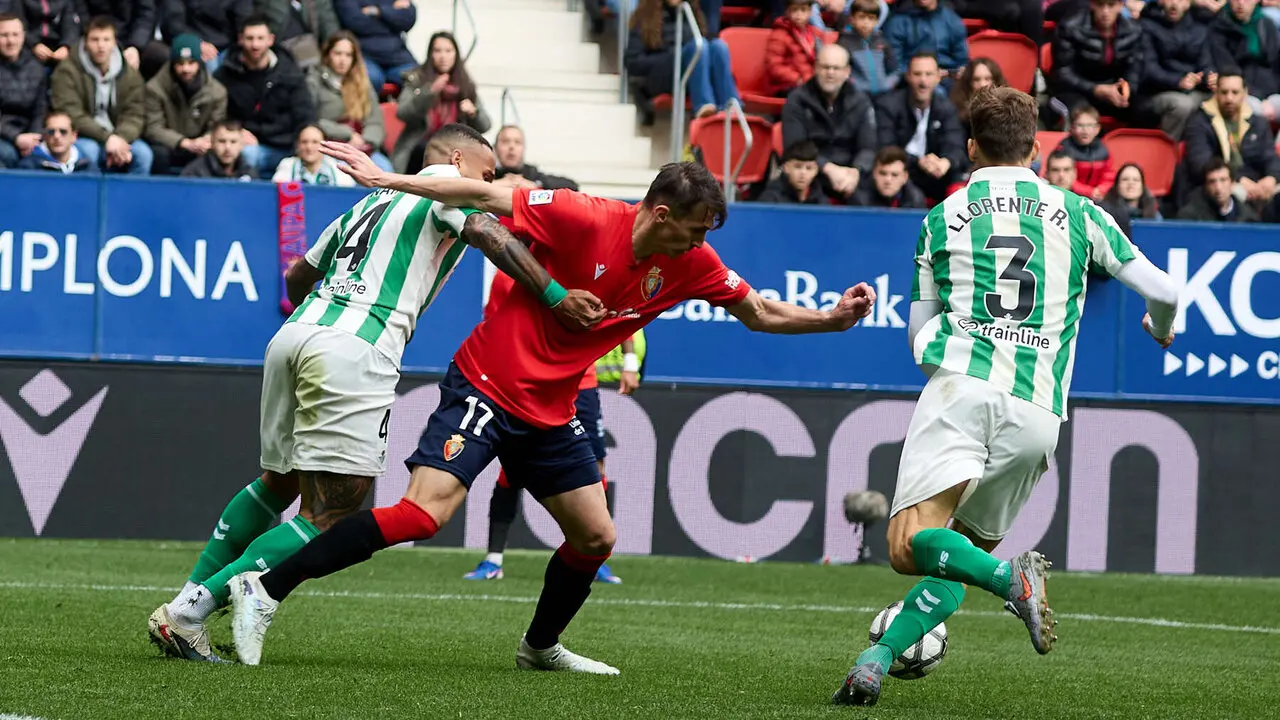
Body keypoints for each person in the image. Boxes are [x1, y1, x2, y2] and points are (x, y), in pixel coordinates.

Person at [226, 148, 878, 672]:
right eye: (695, 228)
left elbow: (759, 312)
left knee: (596, 537)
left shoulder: (692, 262)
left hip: (554, 406)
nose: (701, 242)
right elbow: (481, 198)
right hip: (487, 383)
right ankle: (264, 590)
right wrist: (383, 177)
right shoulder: (584, 216)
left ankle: (538, 648)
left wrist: (832, 320)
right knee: (424, 515)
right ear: (659, 213)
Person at [147, 123, 604, 662]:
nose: (489, 185)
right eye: (485, 174)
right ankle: (190, 611)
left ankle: (182, 604)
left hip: (296, 334)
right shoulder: (440, 195)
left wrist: (320, 311)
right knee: (333, 512)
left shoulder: (369, 202)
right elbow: (489, 233)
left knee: (279, 481)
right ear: (456, 162)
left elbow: (299, 275)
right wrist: (553, 294)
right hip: (357, 347)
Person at [832, 85, 1179, 707]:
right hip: (1038, 413)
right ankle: (877, 658)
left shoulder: (942, 217)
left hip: (965, 388)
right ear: (1039, 149)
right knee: (960, 550)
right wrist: (1157, 325)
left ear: (970, 148)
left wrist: (951, 339)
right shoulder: (1081, 213)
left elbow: (918, 338)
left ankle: (1008, 579)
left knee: (912, 547)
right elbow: (1166, 290)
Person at [463, 273, 644, 585]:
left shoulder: (583, 260)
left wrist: (629, 361)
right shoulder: (509, 276)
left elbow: (615, 309)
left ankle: (593, 557)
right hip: (533, 383)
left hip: (581, 381)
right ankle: (493, 559)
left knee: (596, 464)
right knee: (511, 471)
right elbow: (497, 327)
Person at [215, 13, 316, 176]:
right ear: (241, 39)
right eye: (250, 38)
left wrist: (306, 137)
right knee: (246, 154)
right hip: (251, 146)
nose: (255, 45)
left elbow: (304, 111)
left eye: (260, 38)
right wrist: (237, 132)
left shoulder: (289, 71)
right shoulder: (226, 74)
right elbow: (219, 114)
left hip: (288, 146)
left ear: (270, 39)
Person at [51, 15, 154, 174]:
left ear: (114, 42)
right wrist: (107, 138)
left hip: (119, 136)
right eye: (95, 39)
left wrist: (120, 139)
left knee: (143, 154)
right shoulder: (67, 70)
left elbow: (135, 114)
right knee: (89, 151)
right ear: (85, 42)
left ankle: (131, 199)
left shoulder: (129, 73)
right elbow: (71, 113)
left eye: (106, 40)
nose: (101, 46)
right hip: (84, 136)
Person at [781, 43, 877, 203]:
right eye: (825, 67)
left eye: (836, 68)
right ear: (816, 68)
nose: (830, 73)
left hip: (850, 175)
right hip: (811, 173)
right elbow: (794, 146)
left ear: (847, 72)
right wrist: (828, 168)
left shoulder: (861, 101)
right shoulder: (797, 100)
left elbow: (868, 147)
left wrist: (855, 172)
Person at [1182, 72, 1280, 215]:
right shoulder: (1200, 121)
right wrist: (1238, 179)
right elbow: (1201, 163)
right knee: (1235, 194)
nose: (1229, 98)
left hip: (1258, 182)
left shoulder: (1258, 122)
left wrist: (1272, 178)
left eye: (1235, 92)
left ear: (1245, 94)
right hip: (1223, 183)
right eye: (1224, 92)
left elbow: (1270, 156)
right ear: (1216, 92)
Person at [874, 52, 966, 203]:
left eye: (929, 74)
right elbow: (886, 146)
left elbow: (956, 145)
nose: (923, 81)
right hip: (904, 172)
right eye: (918, 74)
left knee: (959, 182)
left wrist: (946, 162)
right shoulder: (888, 105)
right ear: (908, 76)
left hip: (936, 174)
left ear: (938, 77)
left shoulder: (947, 108)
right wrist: (918, 161)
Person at [624, 0, 740, 120]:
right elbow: (632, 62)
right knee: (696, 46)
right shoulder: (645, 16)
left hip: (690, 77)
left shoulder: (692, 15)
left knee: (717, 46)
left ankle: (732, 106)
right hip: (660, 77)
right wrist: (672, 57)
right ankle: (703, 105)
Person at [393, 31, 489, 174]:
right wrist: (429, 92)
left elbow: (486, 125)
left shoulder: (464, 84)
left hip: (455, 147)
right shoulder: (416, 79)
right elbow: (403, 112)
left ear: (455, 54)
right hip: (420, 148)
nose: (443, 56)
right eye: (438, 51)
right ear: (430, 54)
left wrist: (473, 113)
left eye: (448, 51)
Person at [307, 31, 391, 171]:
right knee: (345, 173)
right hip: (328, 147)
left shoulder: (363, 83)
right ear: (328, 54)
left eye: (348, 55)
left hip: (361, 149)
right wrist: (347, 134)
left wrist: (365, 142)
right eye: (338, 53)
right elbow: (311, 120)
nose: (342, 60)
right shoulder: (314, 81)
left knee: (385, 169)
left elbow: (375, 121)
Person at [144, 33, 229, 175]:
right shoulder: (155, 88)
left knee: (219, 152)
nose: (186, 69)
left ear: (199, 63)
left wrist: (205, 140)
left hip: (201, 146)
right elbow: (153, 127)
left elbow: (216, 125)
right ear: (172, 64)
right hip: (170, 145)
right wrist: (184, 142)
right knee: (158, 154)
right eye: (180, 63)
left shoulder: (217, 92)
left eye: (191, 63)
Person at [1049, 0, 1143, 126]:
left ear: (1120, 6)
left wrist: (1126, 90)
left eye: (1110, 5)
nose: (1105, 11)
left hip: (1112, 89)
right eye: (1100, 5)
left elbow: (1134, 69)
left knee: (1144, 108)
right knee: (1082, 113)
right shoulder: (1070, 27)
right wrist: (1096, 89)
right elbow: (1062, 73)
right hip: (1075, 91)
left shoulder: (1133, 30)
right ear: (1092, 4)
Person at [1139, 0, 1215, 140]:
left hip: (1194, 90)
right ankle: (1166, 152)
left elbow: (1206, 64)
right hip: (1156, 93)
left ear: (1188, 3)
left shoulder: (1201, 28)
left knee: (1224, 98)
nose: (1174, 4)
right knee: (1183, 105)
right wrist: (1178, 81)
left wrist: (1210, 78)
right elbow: (1149, 70)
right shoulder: (1147, 26)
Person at [333, 0, 417, 90]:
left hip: (397, 56)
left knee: (420, 78)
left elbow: (408, 18)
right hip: (364, 55)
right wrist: (392, 23)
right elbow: (355, 22)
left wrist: (378, 11)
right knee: (373, 80)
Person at [0, 13, 47, 169]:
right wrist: (16, 137)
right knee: (6, 154)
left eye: (15, 35)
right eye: (4, 35)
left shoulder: (36, 68)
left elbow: (40, 110)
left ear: (23, 36)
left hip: (29, 136)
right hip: (4, 136)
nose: (10, 41)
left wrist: (34, 138)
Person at [882, 0, 969, 82]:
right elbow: (894, 67)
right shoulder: (896, 22)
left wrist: (951, 73)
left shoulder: (952, 20)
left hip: (948, 80)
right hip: (910, 82)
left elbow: (962, 61)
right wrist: (922, 75)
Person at [1053, 104, 1116, 201]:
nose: (1085, 131)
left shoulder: (1103, 150)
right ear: (1072, 128)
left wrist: (1101, 190)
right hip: (1071, 196)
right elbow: (1063, 178)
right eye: (1080, 125)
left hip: (1098, 197)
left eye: (1090, 125)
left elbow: (1109, 176)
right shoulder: (1064, 148)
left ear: (1097, 129)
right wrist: (1089, 192)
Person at [837, 0, 899, 97]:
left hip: (883, 95)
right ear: (852, 19)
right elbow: (841, 71)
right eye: (861, 17)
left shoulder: (882, 42)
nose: (866, 22)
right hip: (856, 96)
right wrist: (854, 85)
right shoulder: (844, 43)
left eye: (871, 18)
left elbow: (894, 69)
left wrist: (888, 84)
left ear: (877, 21)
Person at [764, 0, 824, 97]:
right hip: (787, 85)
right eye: (794, 10)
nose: (798, 14)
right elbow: (774, 66)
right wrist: (798, 79)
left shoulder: (816, 34)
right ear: (787, 12)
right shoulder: (779, 34)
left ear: (810, 12)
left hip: (811, 83)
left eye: (803, 10)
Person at [492, 124, 579, 191]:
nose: (511, 146)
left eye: (517, 142)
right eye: (505, 141)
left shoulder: (532, 174)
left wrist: (536, 185)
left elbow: (572, 186)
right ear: (495, 148)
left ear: (524, 148)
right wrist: (495, 185)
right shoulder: (488, 174)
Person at [1178, 158, 1262, 221]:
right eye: (1212, 182)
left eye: (1223, 180)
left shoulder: (1249, 218)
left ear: (1232, 183)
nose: (1218, 188)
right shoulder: (1190, 217)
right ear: (1206, 186)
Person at [272, 123, 354, 184]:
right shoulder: (288, 165)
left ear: (325, 145)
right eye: (304, 142)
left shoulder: (337, 168)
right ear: (297, 145)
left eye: (315, 142)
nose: (309, 147)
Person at [17, 111, 96, 173]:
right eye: (51, 132)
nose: (57, 136)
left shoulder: (87, 167)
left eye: (63, 131)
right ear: (44, 136)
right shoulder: (29, 167)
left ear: (74, 136)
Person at [850, 145, 926, 208]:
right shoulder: (860, 199)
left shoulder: (915, 199)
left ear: (905, 177)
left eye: (895, 175)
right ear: (874, 173)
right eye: (882, 173)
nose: (888, 180)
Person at [179, 118, 255, 178]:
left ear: (242, 144)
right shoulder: (194, 173)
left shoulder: (249, 172)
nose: (227, 147)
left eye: (233, 142)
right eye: (222, 141)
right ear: (212, 143)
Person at [757, 139, 828, 204]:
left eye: (809, 168)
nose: (803, 173)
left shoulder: (820, 199)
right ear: (786, 168)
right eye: (797, 167)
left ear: (816, 170)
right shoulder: (771, 198)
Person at [950, 58, 1006, 139]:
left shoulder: (1007, 110)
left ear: (996, 81)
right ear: (968, 83)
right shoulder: (956, 114)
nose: (982, 84)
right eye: (976, 79)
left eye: (987, 79)